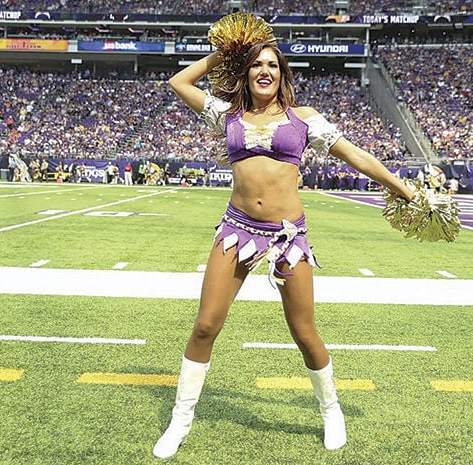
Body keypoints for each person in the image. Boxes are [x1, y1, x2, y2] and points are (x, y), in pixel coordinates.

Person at [152, 41, 414, 460]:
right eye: (255, 64)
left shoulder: (304, 119)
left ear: (282, 74)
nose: (264, 71)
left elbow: (357, 156)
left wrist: (404, 189)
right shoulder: (228, 115)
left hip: (287, 236)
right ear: (246, 71)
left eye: (272, 65)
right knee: (205, 326)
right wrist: (223, 54)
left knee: (305, 333)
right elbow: (179, 81)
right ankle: (180, 421)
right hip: (237, 230)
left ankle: (331, 411)